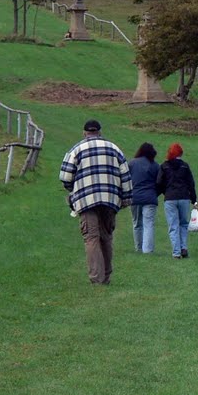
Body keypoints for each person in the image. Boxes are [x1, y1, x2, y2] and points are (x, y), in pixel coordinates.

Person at [59, 119, 132, 285]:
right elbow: (126, 176)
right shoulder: (115, 149)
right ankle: (106, 276)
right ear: (100, 132)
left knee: (91, 237)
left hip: (86, 200)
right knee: (106, 237)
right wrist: (126, 199)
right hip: (110, 200)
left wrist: (74, 189)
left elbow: (65, 176)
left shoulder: (76, 150)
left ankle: (96, 278)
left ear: (84, 133)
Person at [156, 142, 197, 259]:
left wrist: (164, 192)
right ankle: (184, 247)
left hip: (170, 198)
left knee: (173, 225)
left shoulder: (164, 166)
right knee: (183, 224)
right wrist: (194, 200)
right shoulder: (185, 166)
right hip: (184, 197)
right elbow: (191, 184)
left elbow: (159, 182)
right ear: (181, 153)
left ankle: (176, 252)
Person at [128, 143, 161, 253]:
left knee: (137, 224)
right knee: (149, 224)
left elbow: (126, 179)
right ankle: (148, 250)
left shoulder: (132, 163)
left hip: (135, 197)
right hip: (150, 198)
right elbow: (160, 183)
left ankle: (138, 248)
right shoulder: (155, 165)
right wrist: (155, 193)